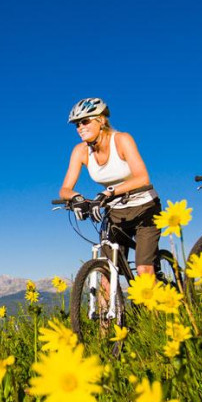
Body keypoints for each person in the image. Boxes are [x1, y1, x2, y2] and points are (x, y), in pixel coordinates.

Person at [59, 97, 161, 277]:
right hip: (115, 213)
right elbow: (65, 189)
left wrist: (108, 192)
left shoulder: (122, 140)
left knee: (144, 269)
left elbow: (142, 178)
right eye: (77, 125)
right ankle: (106, 307)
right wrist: (77, 198)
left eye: (85, 121)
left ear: (101, 120)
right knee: (108, 272)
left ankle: (155, 305)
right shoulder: (80, 151)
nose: (80, 128)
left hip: (144, 208)